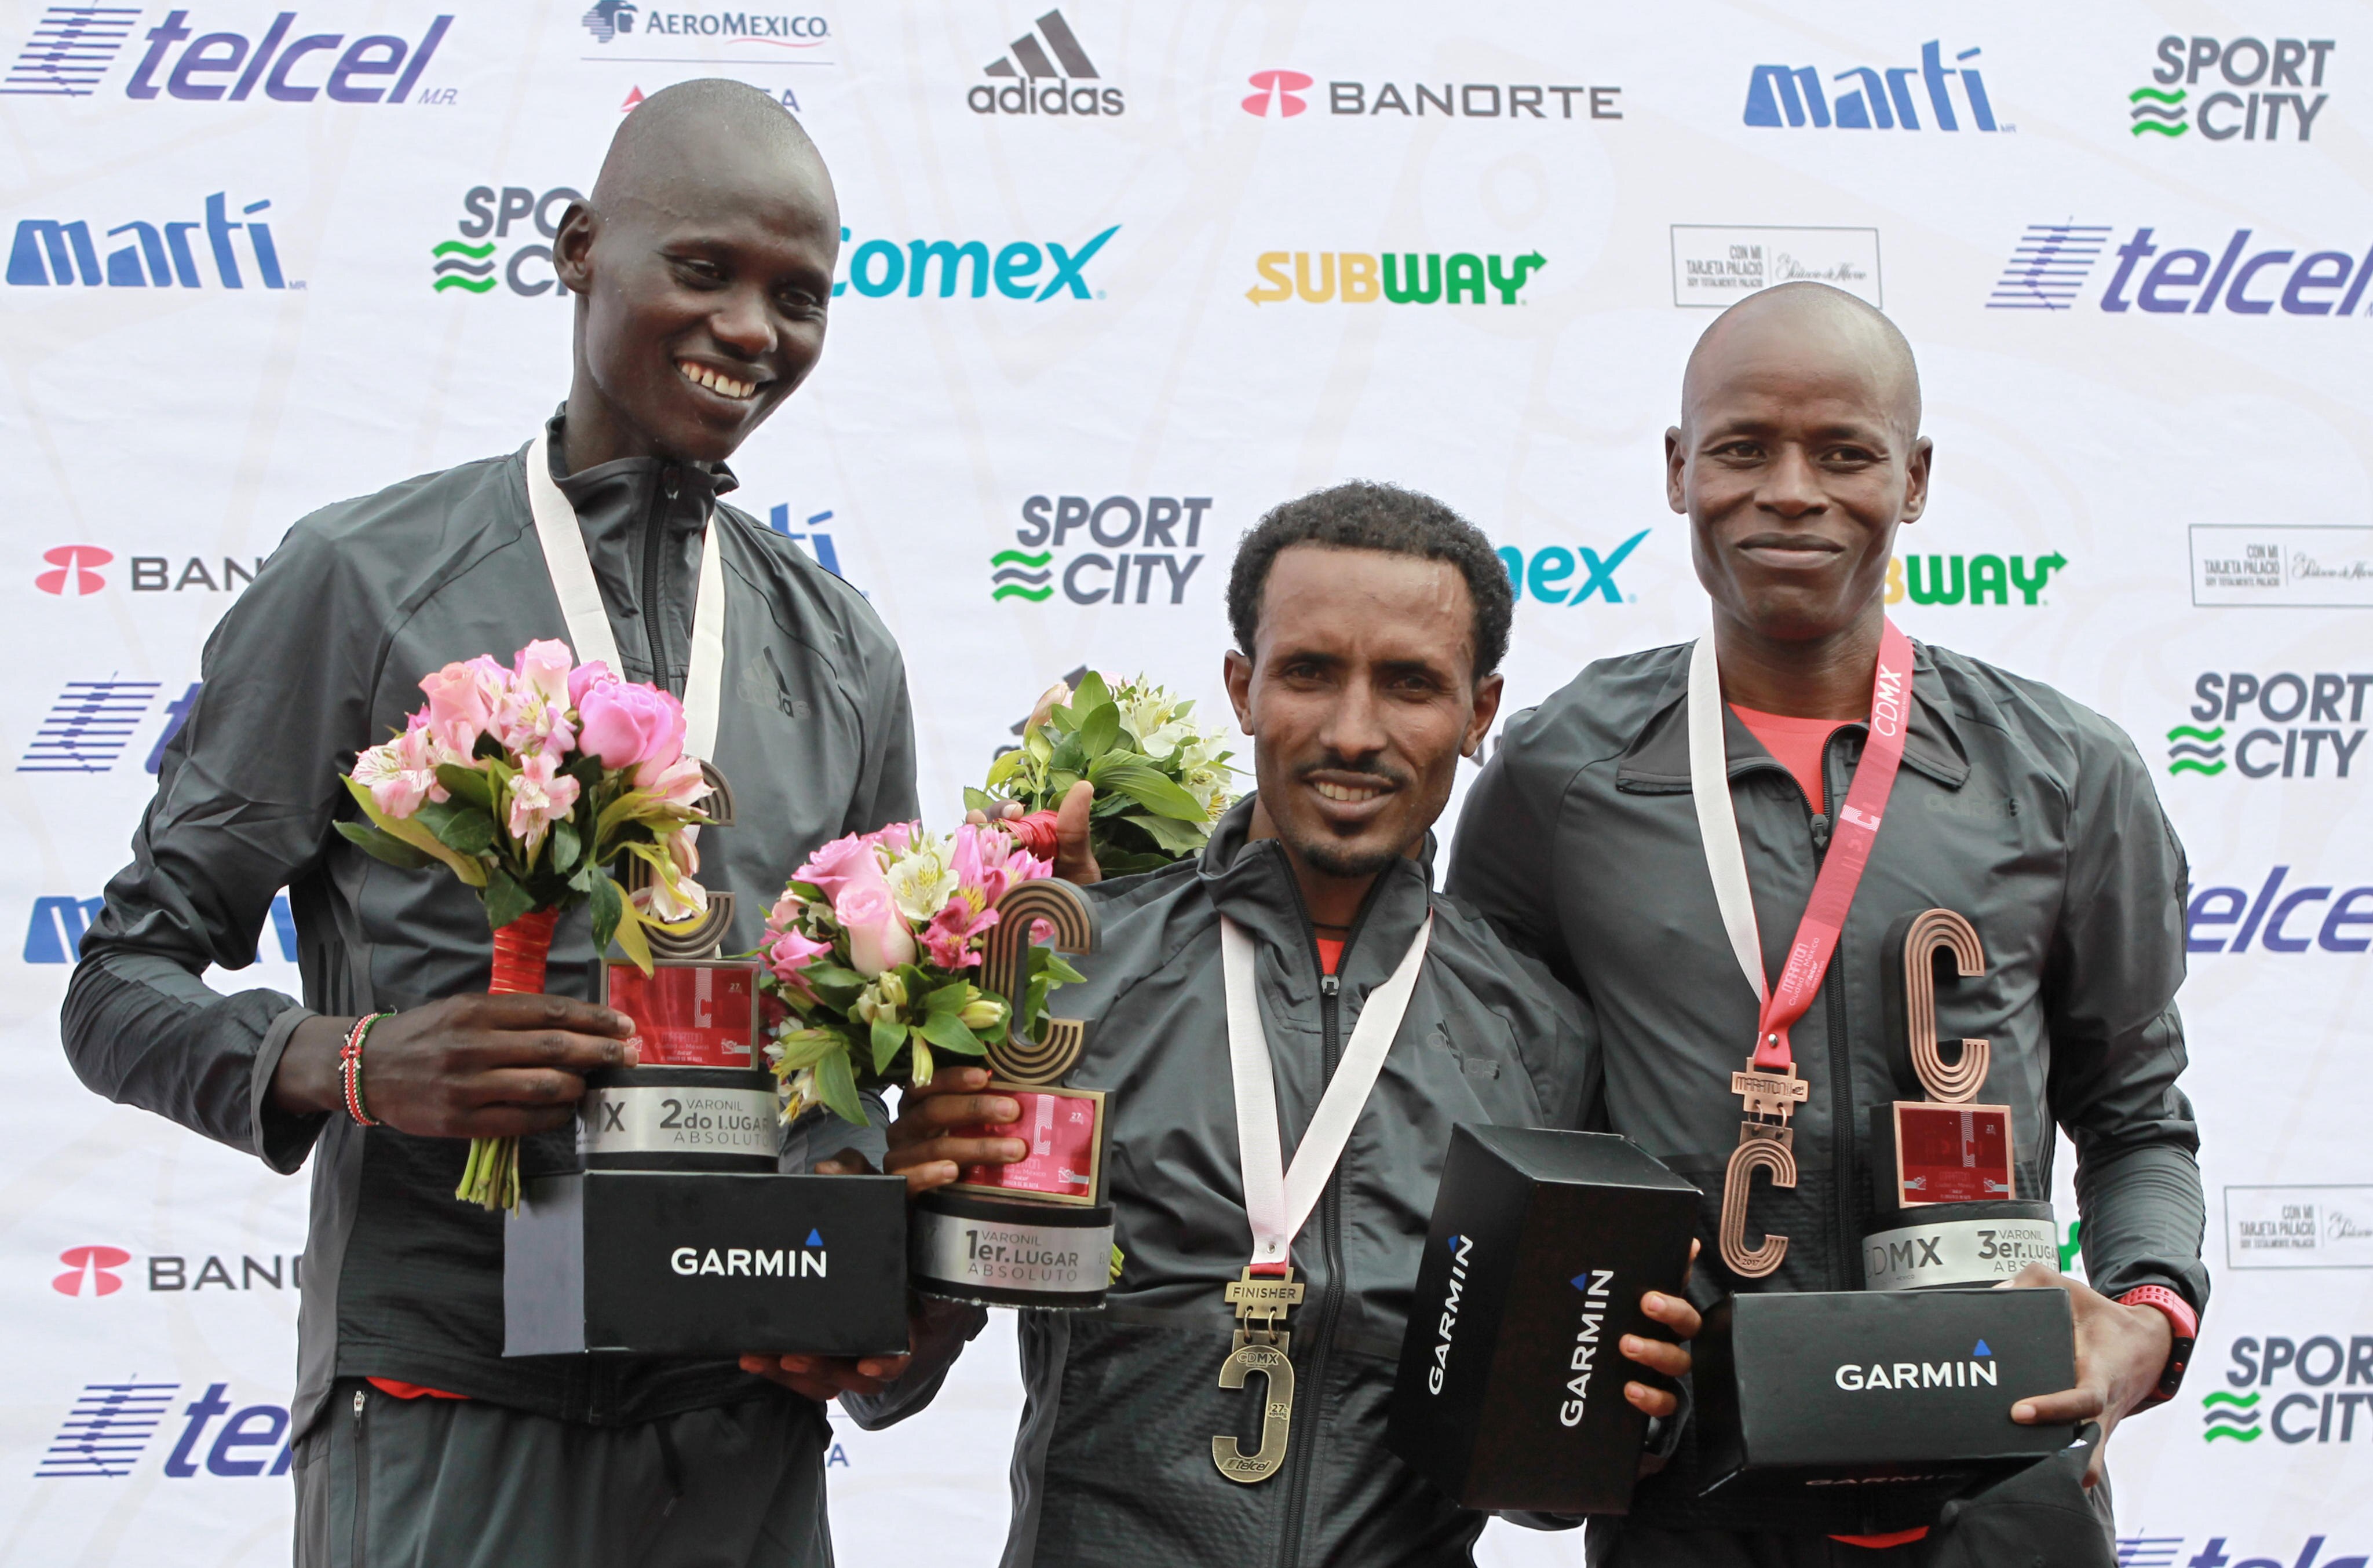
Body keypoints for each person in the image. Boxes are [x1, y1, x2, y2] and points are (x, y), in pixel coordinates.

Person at [60, 80, 924, 1567]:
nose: (750, 332)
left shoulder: (842, 648)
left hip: (737, 1416)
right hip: (447, 1391)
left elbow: (856, 1053)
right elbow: (116, 982)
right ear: (580, 249)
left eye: (798, 297)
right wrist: (349, 1060)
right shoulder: (365, 578)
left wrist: (862, 1260)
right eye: (703, 269)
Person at [1447, 282, 2206, 1564]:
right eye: (1741, 446)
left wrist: (2145, 1308)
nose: (1789, 489)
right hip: (1687, 1485)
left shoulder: (2065, 770)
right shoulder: (1556, 773)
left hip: (2003, 1477)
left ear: (1912, 480)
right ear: (1677, 468)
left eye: (1843, 452)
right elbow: (1485, 1116)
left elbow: (2137, 1115)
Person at [814, 483, 1695, 1566]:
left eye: (1411, 686)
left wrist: (1631, 1407)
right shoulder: (1066, 976)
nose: (1353, 732)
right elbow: (885, 1384)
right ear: (1242, 687)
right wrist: (897, 1260)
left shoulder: (1541, 1035)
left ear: (1478, 716)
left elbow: (1546, 1496)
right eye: (1310, 672)